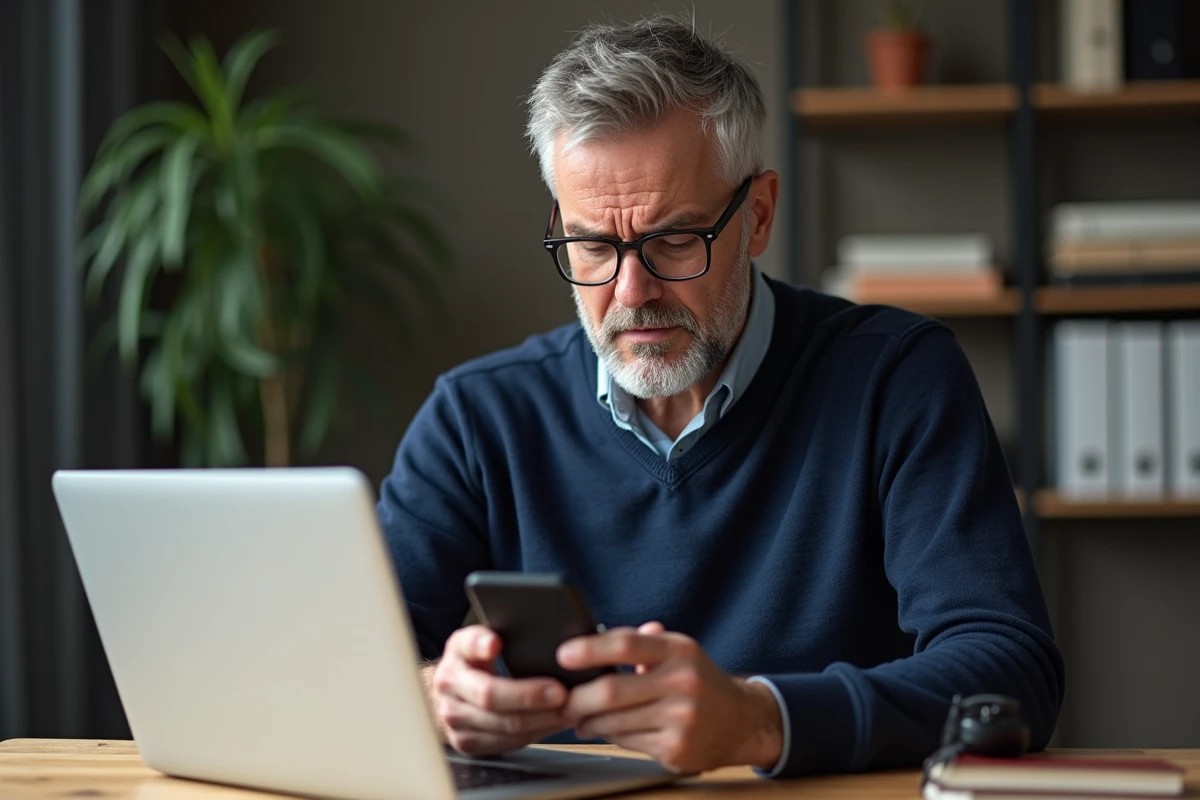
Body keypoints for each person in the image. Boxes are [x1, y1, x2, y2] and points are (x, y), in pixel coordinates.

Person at [377, 13, 1064, 778]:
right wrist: (432, 693)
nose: (631, 293)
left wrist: (761, 720)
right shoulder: (478, 417)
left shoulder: (897, 378)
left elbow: (1012, 674)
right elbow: (341, 663)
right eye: (593, 246)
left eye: (674, 240)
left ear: (758, 215)